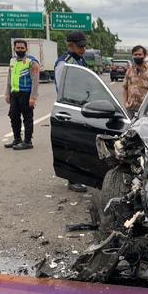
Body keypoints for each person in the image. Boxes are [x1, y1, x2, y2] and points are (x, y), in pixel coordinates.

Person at [53, 31, 88, 193]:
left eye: (84, 45)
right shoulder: (64, 63)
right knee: (72, 145)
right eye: (80, 46)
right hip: (71, 108)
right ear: (70, 45)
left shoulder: (80, 60)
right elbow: (63, 88)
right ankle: (73, 179)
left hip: (83, 106)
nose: (83, 49)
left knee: (81, 144)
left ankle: (81, 175)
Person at [4, 40, 39, 150]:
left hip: (26, 94)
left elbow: (35, 81)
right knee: (14, 117)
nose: (19, 50)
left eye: (22, 48)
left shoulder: (31, 62)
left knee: (27, 118)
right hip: (15, 94)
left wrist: (33, 97)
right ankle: (17, 139)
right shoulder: (12, 61)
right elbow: (9, 79)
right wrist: (7, 93)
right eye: (17, 48)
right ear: (14, 49)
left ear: (26, 49)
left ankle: (28, 141)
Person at [122, 45, 148, 116]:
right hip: (131, 109)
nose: (137, 56)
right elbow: (125, 88)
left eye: (139, 54)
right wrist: (125, 103)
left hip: (146, 109)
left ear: (144, 56)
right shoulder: (129, 71)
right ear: (132, 56)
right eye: (135, 55)